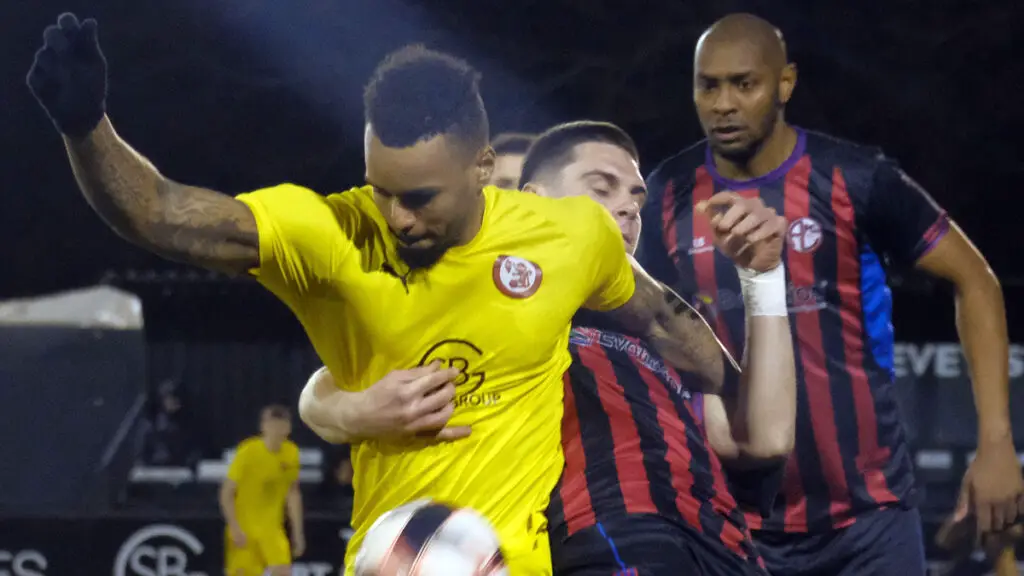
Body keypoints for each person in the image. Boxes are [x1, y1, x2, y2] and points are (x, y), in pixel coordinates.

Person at [28, 14, 771, 575]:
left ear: (483, 166)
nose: (394, 216)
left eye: (418, 197)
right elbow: (159, 213)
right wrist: (85, 126)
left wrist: (743, 403)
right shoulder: (330, 235)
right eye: (380, 188)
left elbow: (661, 317)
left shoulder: (568, 237)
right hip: (392, 559)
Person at [300, 120, 796, 576]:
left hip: (732, 550)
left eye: (635, 198)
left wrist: (763, 277)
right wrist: (351, 409)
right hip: (618, 538)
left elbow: (764, 437)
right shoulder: (492, 308)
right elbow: (333, 382)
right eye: (601, 189)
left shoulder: (664, 335)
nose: (626, 206)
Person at [637, 12, 1023, 575]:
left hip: (869, 521)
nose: (722, 103)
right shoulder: (664, 197)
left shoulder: (856, 179)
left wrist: (995, 444)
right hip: (729, 523)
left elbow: (976, 280)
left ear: (785, 84)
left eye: (744, 84)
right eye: (708, 85)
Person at [219, 405, 304, 576]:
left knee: (283, 571)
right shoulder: (247, 452)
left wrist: (298, 533)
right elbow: (226, 493)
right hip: (245, 529)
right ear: (263, 426)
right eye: (272, 424)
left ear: (288, 428)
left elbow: (292, 494)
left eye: (281, 425)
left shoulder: (291, 453)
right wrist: (234, 527)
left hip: (272, 528)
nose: (276, 430)